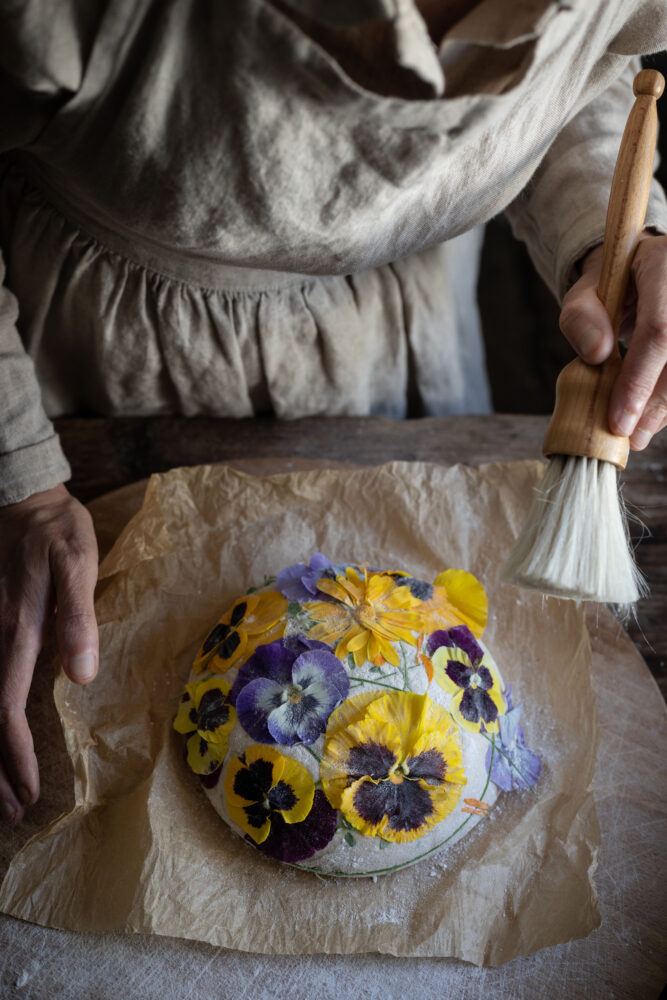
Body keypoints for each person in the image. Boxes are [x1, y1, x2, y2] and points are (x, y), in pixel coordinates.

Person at [1, 0, 667, 825]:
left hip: (404, 323)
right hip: (113, 342)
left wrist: (606, 241)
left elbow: (594, 75)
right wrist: (19, 478)